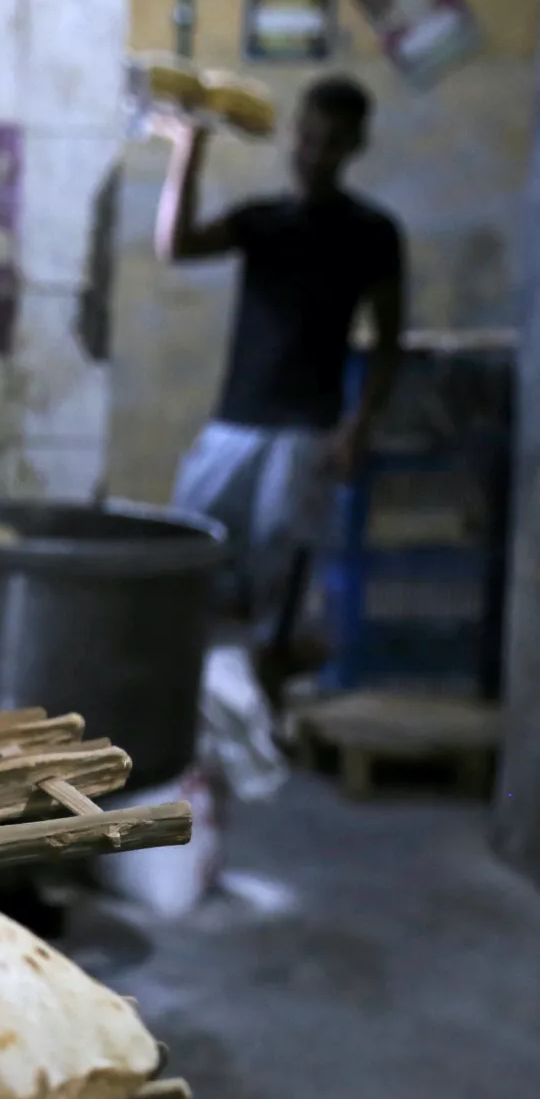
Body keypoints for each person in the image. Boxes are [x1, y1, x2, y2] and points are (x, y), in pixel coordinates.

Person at [153, 75, 405, 686]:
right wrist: (190, 148)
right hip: (235, 422)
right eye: (311, 139)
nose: (317, 155)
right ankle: (198, 699)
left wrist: (358, 425)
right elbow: (176, 245)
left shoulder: (373, 232)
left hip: (308, 429)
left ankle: (270, 712)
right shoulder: (263, 221)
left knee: (281, 577)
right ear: (296, 135)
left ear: (355, 146)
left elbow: (389, 341)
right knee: (189, 546)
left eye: (334, 143)